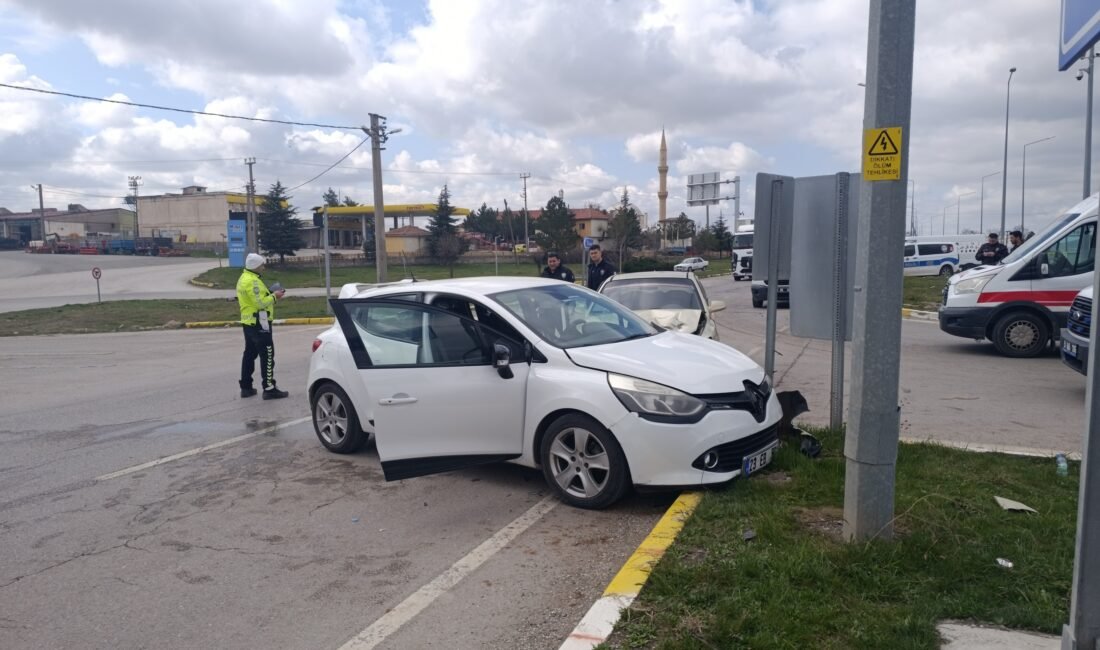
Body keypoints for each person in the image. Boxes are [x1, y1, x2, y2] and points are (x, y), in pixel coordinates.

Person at [237, 253, 288, 400]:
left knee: (249, 354)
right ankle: (269, 388)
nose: (263, 268)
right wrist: (274, 296)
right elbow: (260, 303)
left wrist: (270, 293)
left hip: (248, 322)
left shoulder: (243, 278)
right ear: (255, 266)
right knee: (267, 355)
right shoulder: (252, 281)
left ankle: (246, 387)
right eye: (262, 265)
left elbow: (253, 299)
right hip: (260, 323)